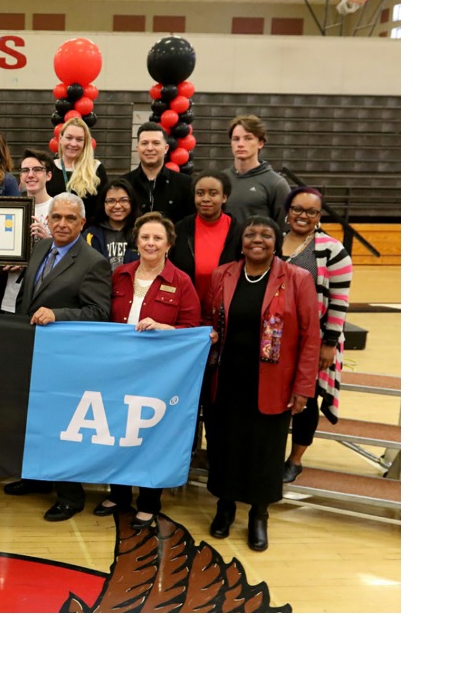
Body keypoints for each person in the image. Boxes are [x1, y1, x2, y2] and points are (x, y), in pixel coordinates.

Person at [203, 217, 320, 552]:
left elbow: (310, 337)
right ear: (240, 243)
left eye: (265, 235)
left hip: (274, 383)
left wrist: (303, 388)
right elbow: (209, 320)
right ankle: (225, 506)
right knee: (224, 446)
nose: (257, 240)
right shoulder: (222, 274)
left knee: (265, 451)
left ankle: (259, 513)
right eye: (250, 234)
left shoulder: (297, 278)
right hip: (225, 378)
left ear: (276, 242)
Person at [4, 192, 113, 521]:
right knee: (34, 419)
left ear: (82, 223)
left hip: (67, 358)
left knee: (63, 425)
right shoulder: (40, 247)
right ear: (48, 220)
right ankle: (37, 478)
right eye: (56, 217)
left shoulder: (94, 262)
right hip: (33, 349)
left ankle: (70, 496)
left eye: (70, 218)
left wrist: (58, 314)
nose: (62, 224)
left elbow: (99, 313)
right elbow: (27, 295)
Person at [99, 212, 201, 527]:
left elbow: (192, 331)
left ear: (169, 244)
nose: (150, 243)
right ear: (137, 241)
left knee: (150, 436)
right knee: (118, 431)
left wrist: (164, 328)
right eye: (145, 237)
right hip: (119, 369)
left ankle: (149, 501)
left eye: (158, 238)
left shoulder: (181, 282)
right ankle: (118, 494)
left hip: (159, 375)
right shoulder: (120, 275)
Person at [279, 187, 353, 483]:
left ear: (319, 216)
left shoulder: (332, 250)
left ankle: (295, 460)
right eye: (297, 209)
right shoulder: (273, 240)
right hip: (274, 338)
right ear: (288, 210)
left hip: (314, 339)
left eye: (311, 211)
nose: (303, 216)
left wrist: (329, 343)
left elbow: (340, 300)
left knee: (306, 399)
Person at [170, 171, 243, 307]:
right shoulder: (180, 229)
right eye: (200, 193)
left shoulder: (239, 231)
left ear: (224, 197)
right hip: (185, 305)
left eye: (213, 194)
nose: (205, 199)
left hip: (226, 307)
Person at [1, 148, 56, 314]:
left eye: (37, 169)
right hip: (13, 294)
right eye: (25, 170)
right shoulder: (11, 209)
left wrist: (48, 239)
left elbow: (71, 251)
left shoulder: (59, 207)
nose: (30, 175)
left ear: (48, 175)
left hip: (47, 296)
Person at [224, 114, 291, 227]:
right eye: (236, 139)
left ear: (260, 143)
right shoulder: (221, 180)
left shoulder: (276, 184)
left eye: (248, 138)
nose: (240, 144)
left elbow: (285, 229)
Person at [121, 121, 194, 223]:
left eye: (156, 143)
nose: (150, 148)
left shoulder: (186, 184)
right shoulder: (124, 183)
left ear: (166, 148)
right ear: (137, 148)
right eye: (144, 143)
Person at [47, 117, 107, 222]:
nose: (73, 144)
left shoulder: (96, 169)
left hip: (87, 230)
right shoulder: (49, 167)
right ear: (60, 139)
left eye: (79, 139)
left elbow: (102, 209)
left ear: (85, 142)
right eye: (69, 138)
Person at [84, 178, 139, 271]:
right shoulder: (91, 235)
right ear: (103, 204)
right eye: (111, 201)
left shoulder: (142, 233)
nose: (117, 206)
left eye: (124, 200)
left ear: (132, 202)